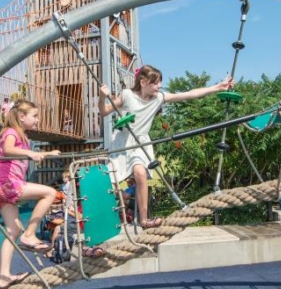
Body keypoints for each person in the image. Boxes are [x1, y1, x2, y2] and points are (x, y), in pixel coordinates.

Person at [98, 65, 234, 228]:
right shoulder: (127, 95)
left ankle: (144, 220)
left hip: (141, 142)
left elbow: (188, 95)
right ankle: (106, 218)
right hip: (122, 141)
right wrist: (101, 97)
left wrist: (218, 87)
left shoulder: (159, 98)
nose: (159, 87)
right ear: (143, 82)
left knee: (140, 174)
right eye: (155, 83)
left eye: (160, 83)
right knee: (107, 183)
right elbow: (104, 111)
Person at [0, 99, 61, 289]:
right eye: (35, 116)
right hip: (7, 184)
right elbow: (8, 150)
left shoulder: (21, 135)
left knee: (12, 231)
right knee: (50, 193)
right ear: (22, 117)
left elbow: (22, 152)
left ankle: (4, 277)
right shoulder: (11, 132)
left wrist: (47, 154)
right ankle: (30, 234)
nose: (37, 120)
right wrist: (30, 154)